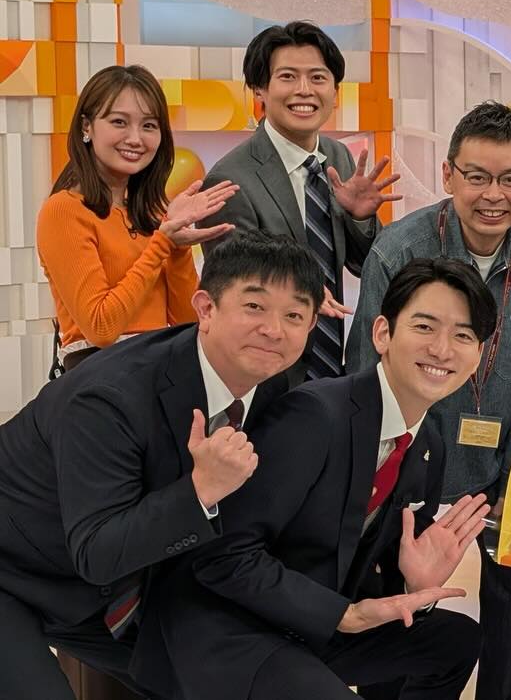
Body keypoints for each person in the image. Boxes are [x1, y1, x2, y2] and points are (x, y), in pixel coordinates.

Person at [143, 258, 498, 700]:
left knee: (456, 641)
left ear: (478, 356)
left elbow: (379, 575)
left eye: (463, 336)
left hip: (316, 626)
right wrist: (341, 615)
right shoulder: (316, 416)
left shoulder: (429, 446)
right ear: (382, 333)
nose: (442, 350)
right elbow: (222, 555)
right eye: (425, 327)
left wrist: (416, 586)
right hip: (238, 625)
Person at [0, 230, 321, 700]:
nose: (274, 330)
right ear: (206, 308)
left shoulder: (272, 382)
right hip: (14, 566)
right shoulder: (110, 398)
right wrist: (200, 490)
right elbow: (98, 550)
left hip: (105, 589)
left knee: (215, 682)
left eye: (294, 315)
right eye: (255, 306)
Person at [347, 101, 511, 699]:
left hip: (508, 463)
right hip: (410, 465)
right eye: (477, 177)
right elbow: (368, 375)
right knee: (399, 605)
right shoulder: (400, 249)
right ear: (448, 175)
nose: (492, 195)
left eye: (510, 179)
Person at [201, 20, 400, 382]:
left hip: (333, 371)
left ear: (335, 92)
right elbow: (233, 286)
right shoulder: (228, 179)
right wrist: (299, 288)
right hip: (264, 372)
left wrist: (360, 219)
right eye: (288, 77)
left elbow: (362, 265)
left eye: (318, 78)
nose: (304, 91)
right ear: (259, 89)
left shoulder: (338, 158)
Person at [37, 64, 236, 372]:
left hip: (159, 374)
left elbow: (189, 326)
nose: (135, 138)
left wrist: (178, 247)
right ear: (86, 127)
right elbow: (102, 328)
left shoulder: (152, 214)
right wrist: (161, 244)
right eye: (119, 122)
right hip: (101, 380)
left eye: (149, 125)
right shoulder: (64, 210)